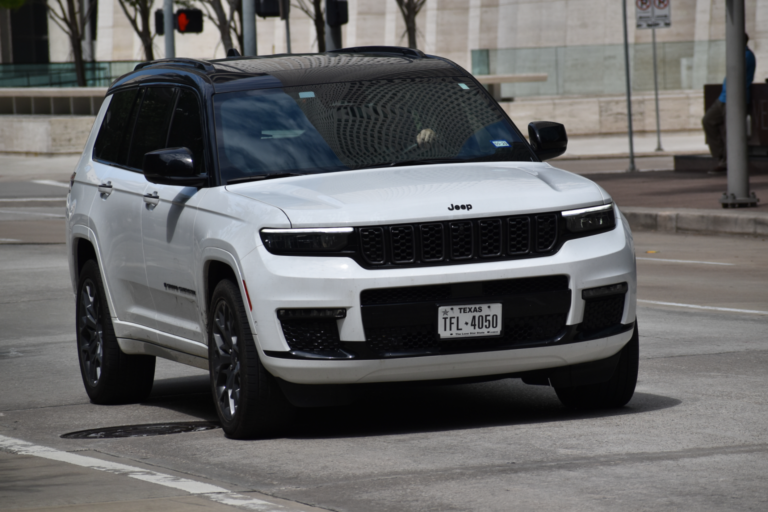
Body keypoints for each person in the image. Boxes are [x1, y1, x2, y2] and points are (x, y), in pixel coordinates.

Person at [702, 34, 756, 172]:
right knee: (708, 121)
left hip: (736, 99)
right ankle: (721, 155)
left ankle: (727, 162)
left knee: (731, 131)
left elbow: (736, 73)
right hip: (723, 98)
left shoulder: (747, 56)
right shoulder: (737, 55)